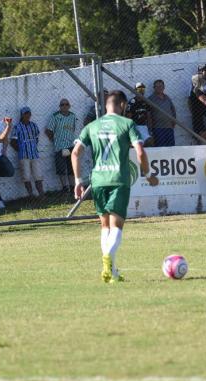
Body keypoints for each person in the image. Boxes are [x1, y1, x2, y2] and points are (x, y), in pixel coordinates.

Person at [72, 90, 158, 283]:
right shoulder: (127, 124)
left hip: (98, 181)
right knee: (116, 226)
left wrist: (78, 181)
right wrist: (148, 174)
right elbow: (141, 151)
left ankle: (112, 272)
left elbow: (75, 153)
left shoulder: (91, 126)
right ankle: (107, 260)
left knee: (104, 227)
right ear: (123, 105)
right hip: (118, 179)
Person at [10, 107, 44, 197]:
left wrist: (32, 146)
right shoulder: (17, 127)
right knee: (26, 176)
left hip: (34, 154)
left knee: (38, 175)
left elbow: (37, 138)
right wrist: (21, 149)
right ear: (22, 115)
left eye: (29, 113)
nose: (28, 115)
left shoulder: (34, 125)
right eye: (25, 113)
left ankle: (41, 194)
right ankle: (31, 195)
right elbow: (12, 142)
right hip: (24, 155)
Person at [45, 98, 77, 192]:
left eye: (66, 104)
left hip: (70, 145)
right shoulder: (55, 116)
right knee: (61, 168)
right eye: (62, 105)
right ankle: (64, 187)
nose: (64, 106)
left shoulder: (73, 116)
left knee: (71, 167)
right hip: (60, 146)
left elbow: (73, 129)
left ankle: (72, 187)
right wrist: (54, 140)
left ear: (69, 106)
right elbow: (48, 130)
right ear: (59, 106)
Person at [148, 80, 177, 147]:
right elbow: (148, 114)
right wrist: (150, 128)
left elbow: (173, 109)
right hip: (158, 128)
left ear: (164, 87)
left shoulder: (167, 97)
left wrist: (174, 120)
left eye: (161, 86)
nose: (159, 88)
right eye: (157, 86)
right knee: (161, 148)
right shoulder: (150, 99)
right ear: (154, 88)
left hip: (169, 127)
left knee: (171, 147)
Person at [126, 82, 154, 146]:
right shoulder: (132, 102)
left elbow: (149, 116)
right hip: (135, 126)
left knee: (150, 142)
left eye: (142, 89)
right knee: (136, 144)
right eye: (139, 89)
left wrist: (150, 130)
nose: (141, 91)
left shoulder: (146, 102)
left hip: (144, 126)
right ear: (135, 91)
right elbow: (128, 117)